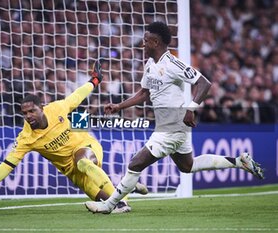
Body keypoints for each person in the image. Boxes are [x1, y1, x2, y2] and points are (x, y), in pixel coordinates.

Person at [85, 22, 264, 214]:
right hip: (167, 124)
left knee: (135, 163)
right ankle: (239, 161)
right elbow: (145, 93)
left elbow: (204, 83)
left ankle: (110, 205)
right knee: (188, 166)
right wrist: (120, 106)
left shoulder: (173, 64)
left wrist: (191, 108)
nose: (142, 44)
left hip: (173, 125)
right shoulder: (150, 64)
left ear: (155, 42)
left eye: (145, 41)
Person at [0, 60, 147, 214]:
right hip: (72, 172)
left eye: (32, 111)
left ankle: (122, 203)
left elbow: (77, 96)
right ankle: (127, 187)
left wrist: (95, 80)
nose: (28, 116)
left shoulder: (56, 108)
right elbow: (6, 166)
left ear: (41, 108)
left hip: (86, 146)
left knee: (83, 161)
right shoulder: (26, 138)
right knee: (101, 197)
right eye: (25, 113)